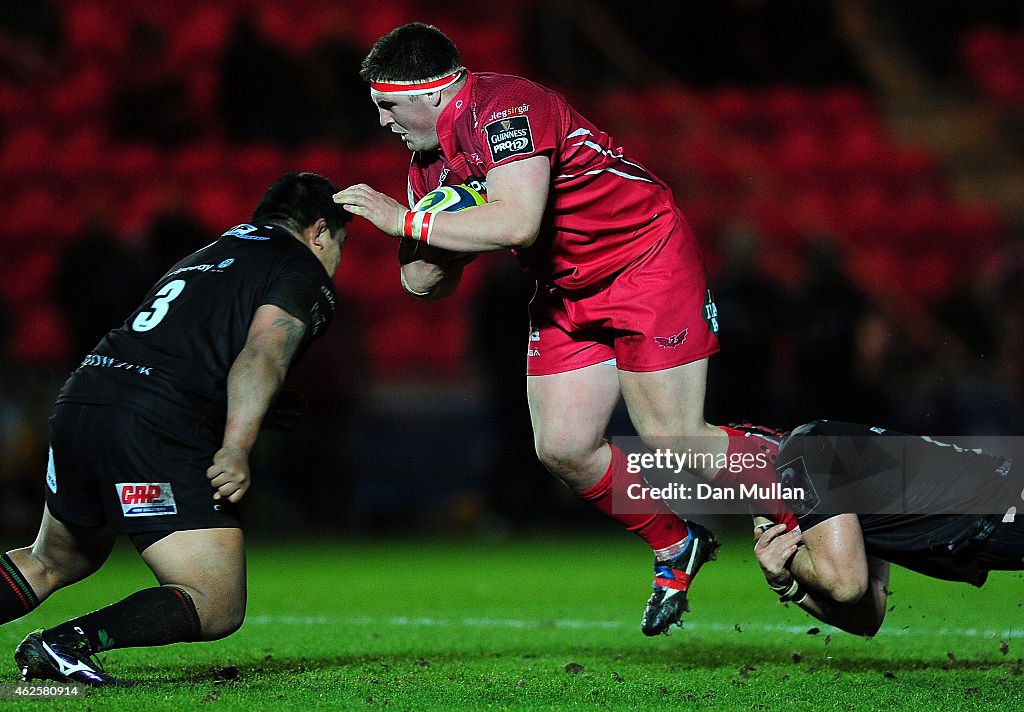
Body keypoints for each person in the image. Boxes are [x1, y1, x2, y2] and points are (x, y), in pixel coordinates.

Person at [334, 22, 788, 636]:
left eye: (389, 106)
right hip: (568, 288)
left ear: (432, 93)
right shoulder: (427, 160)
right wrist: (421, 227)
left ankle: (798, 482)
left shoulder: (508, 108)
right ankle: (675, 542)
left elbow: (519, 222)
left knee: (675, 440)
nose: (383, 122)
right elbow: (422, 285)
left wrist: (409, 223)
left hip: (643, 261)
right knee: (564, 447)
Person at [0, 172, 350, 685]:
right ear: (320, 230)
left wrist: (229, 402)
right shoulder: (300, 267)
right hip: (152, 419)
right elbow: (262, 355)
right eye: (340, 243)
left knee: (52, 559)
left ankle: (61, 644)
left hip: (85, 396)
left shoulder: (214, 250)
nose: (337, 257)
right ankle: (66, 646)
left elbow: (185, 343)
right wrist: (236, 445)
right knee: (214, 599)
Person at [752, 420, 1024, 636]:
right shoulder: (844, 506)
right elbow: (866, 619)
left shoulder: (811, 456)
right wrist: (787, 586)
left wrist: (791, 561)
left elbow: (846, 586)